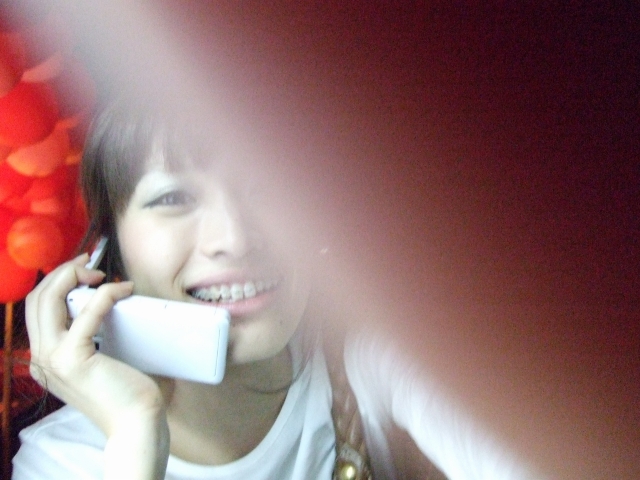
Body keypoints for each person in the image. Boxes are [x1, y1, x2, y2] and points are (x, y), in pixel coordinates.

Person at [12, 96, 542, 480]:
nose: (235, 238)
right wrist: (135, 434)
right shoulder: (60, 462)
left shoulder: (368, 358)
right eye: (173, 199)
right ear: (107, 251)